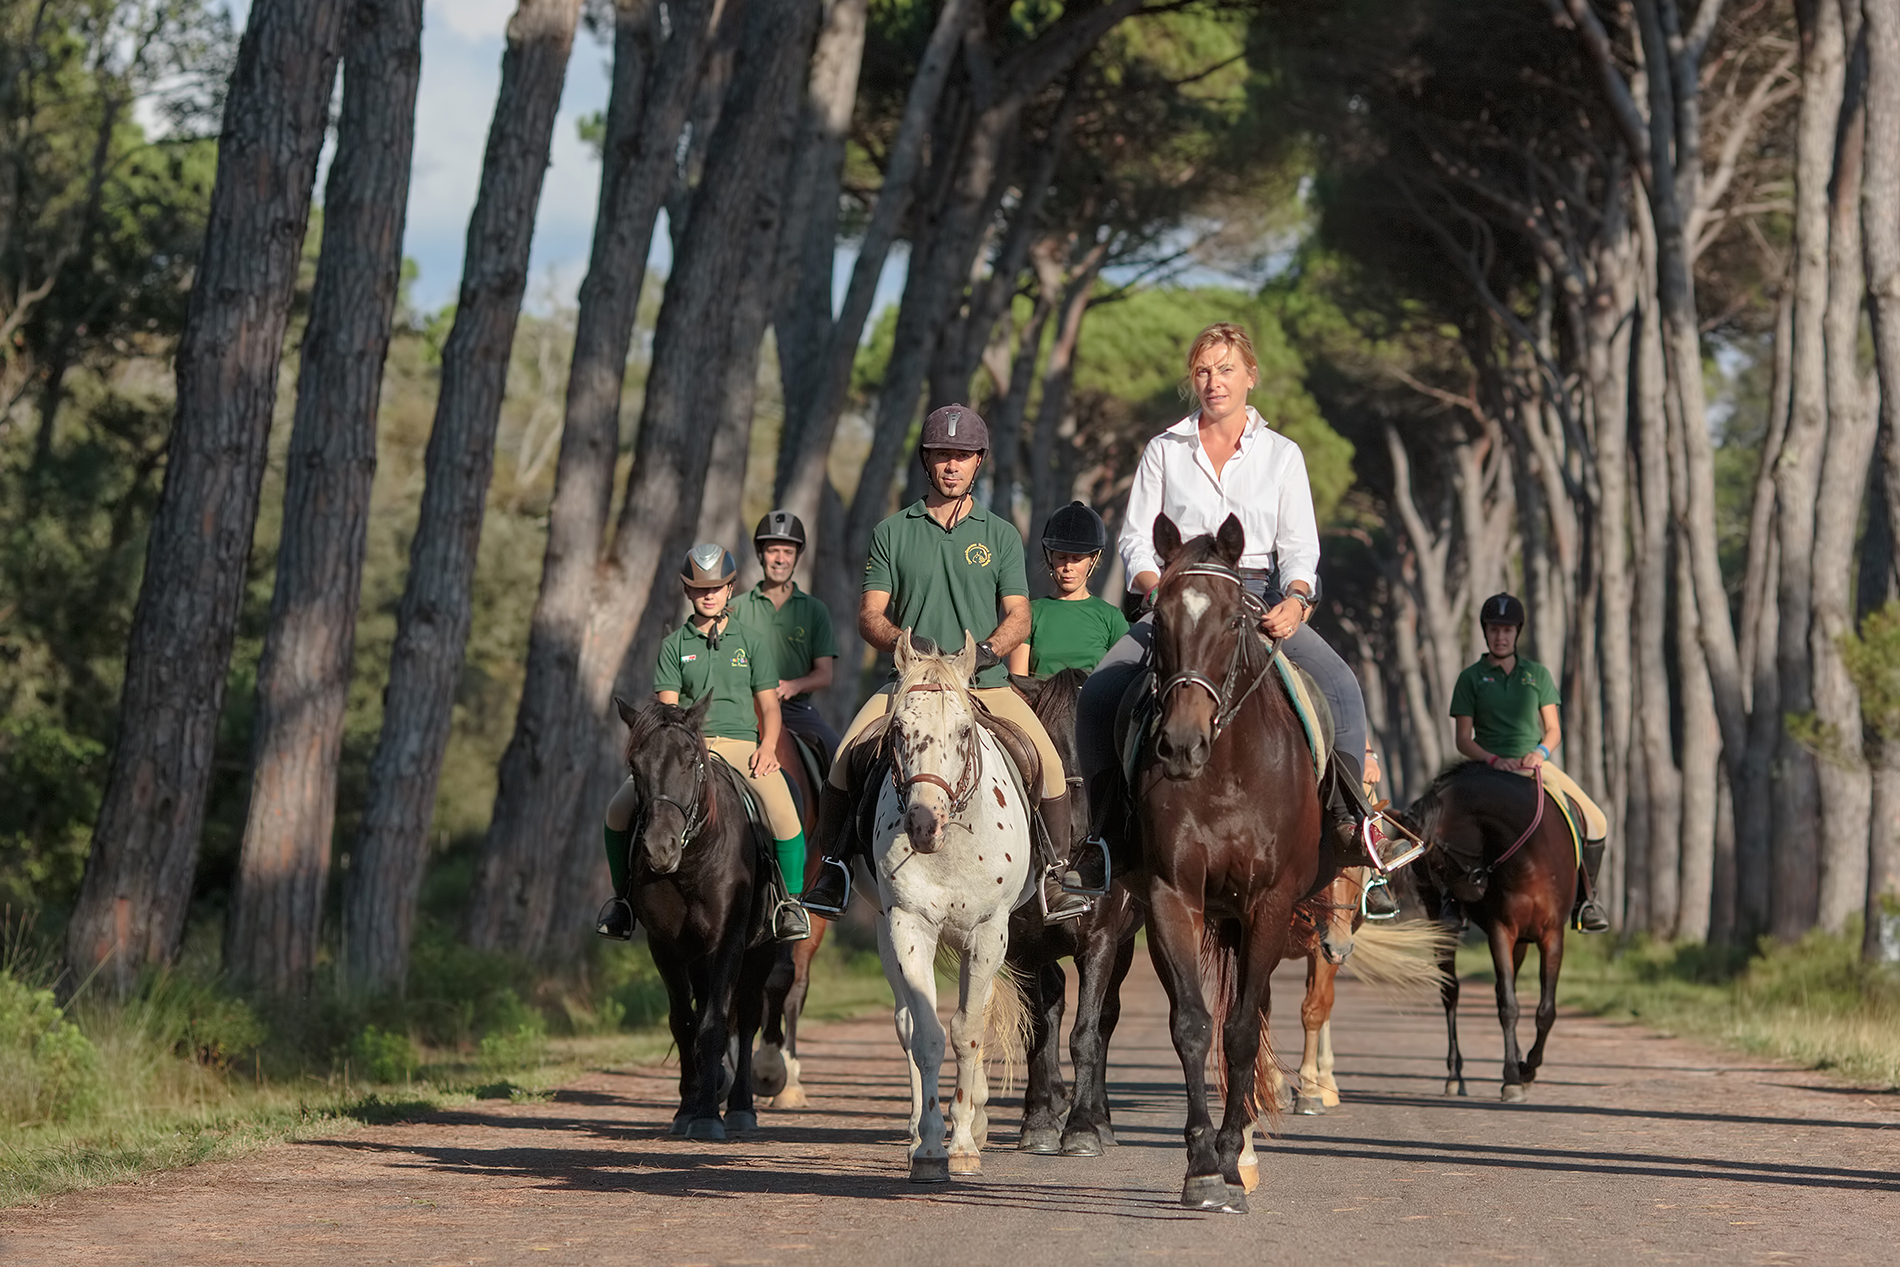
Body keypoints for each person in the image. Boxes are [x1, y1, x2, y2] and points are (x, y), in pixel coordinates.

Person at [1075, 321, 1399, 917]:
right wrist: (1160, 590)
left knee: (1342, 688)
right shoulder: (1163, 450)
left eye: (1225, 369)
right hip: (1179, 600)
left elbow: (1301, 548)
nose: (1212, 382)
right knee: (1099, 692)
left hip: (1259, 597)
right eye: (1202, 370)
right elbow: (1135, 544)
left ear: (1251, 375)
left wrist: (1297, 600)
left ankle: (1353, 825)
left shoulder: (1283, 456)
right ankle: (1099, 839)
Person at [798, 404, 1093, 923]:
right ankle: (833, 871)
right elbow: (870, 615)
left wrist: (988, 651)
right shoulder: (892, 530)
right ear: (925, 461)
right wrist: (903, 642)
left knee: (1046, 760)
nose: (951, 466)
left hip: (985, 683)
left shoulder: (999, 533)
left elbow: (1019, 616)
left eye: (961, 456)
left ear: (978, 462)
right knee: (845, 759)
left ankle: (1055, 875)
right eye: (941, 456)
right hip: (909, 683)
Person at [595, 544, 811, 944]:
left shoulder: (752, 643)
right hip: (686, 749)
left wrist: (768, 747)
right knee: (616, 810)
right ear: (687, 592)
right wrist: (676, 752)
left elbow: (769, 705)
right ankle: (622, 903)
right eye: (698, 588)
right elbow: (667, 716)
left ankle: (789, 904)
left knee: (784, 812)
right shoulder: (674, 646)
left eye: (716, 587)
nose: (707, 595)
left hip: (742, 745)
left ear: (730, 589)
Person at [1450, 592, 1610, 933]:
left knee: (1596, 820)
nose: (1501, 636)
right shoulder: (1470, 678)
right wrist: (1493, 759)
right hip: (1486, 766)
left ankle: (1586, 901)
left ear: (1517, 632)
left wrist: (1539, 754)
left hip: (1533, 762)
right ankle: (1451, 903)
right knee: (1445, 822)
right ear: (1485, 632)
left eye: (1507, 630)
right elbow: (1463, 739)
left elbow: (1553, 730)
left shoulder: (1537, 675)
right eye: (1494, 629)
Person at [728, 510, 842, 766]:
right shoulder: (735, 609)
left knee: (840, 758)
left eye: (788, 552)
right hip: (744, 709)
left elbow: (824, 674)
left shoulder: (815, 610)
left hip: (795, 710)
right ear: (761, 554)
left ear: (797, 557)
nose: (780, 559)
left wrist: (793, 686)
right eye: (773, 551)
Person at [1007, 501, 1130, 680]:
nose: (1068, 567)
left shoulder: (1112, 618)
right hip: (1040, 706)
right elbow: (1019, 682)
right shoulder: (1029, 613)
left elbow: (1122, 679)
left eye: (1077, 559)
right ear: (1050, 558)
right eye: (1061, 557)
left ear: (1093, 559)